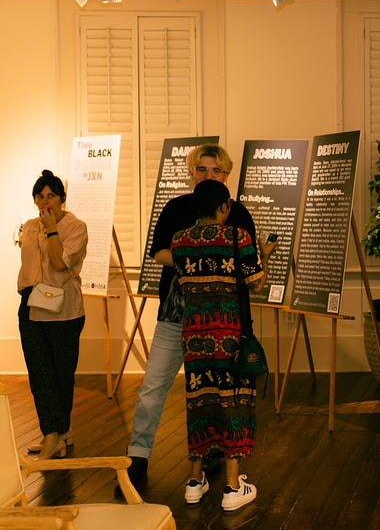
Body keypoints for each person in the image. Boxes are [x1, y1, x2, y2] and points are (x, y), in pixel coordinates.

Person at [124, 144, 274, 487]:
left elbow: (246, 262)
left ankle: (212, 452)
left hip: (225, 322)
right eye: (203, 170)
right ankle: (138, 455)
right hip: (176, 313)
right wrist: (200, 258)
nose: (210, 175)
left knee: (219, 390)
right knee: (153, 386)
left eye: (217, 171)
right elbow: (158, 251)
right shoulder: (175, 208)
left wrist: (202, 256)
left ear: (227, 174)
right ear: (192, 172)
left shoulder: (239, 214)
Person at [172, 179, 265, 510]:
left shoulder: (179, 241)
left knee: (199, 402)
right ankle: (230, 488)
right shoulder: (238, 237)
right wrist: (263, 256)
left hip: (194, 336)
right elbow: (255, 282)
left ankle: (195, 483)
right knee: (234, 404)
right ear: (224, 207)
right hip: (229, 337)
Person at [16, 170, 88, 459]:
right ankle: (53, 433)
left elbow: (59, 265)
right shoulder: (30, 226)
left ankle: (58, 433)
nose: (45, 201)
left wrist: (52, 229)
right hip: (31, 303)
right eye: (40, 195)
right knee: (39, 372)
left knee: (61, 373)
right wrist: (40, 227)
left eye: (51, 195)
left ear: (62, 198)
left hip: (64, 308)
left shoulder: (75, 227)